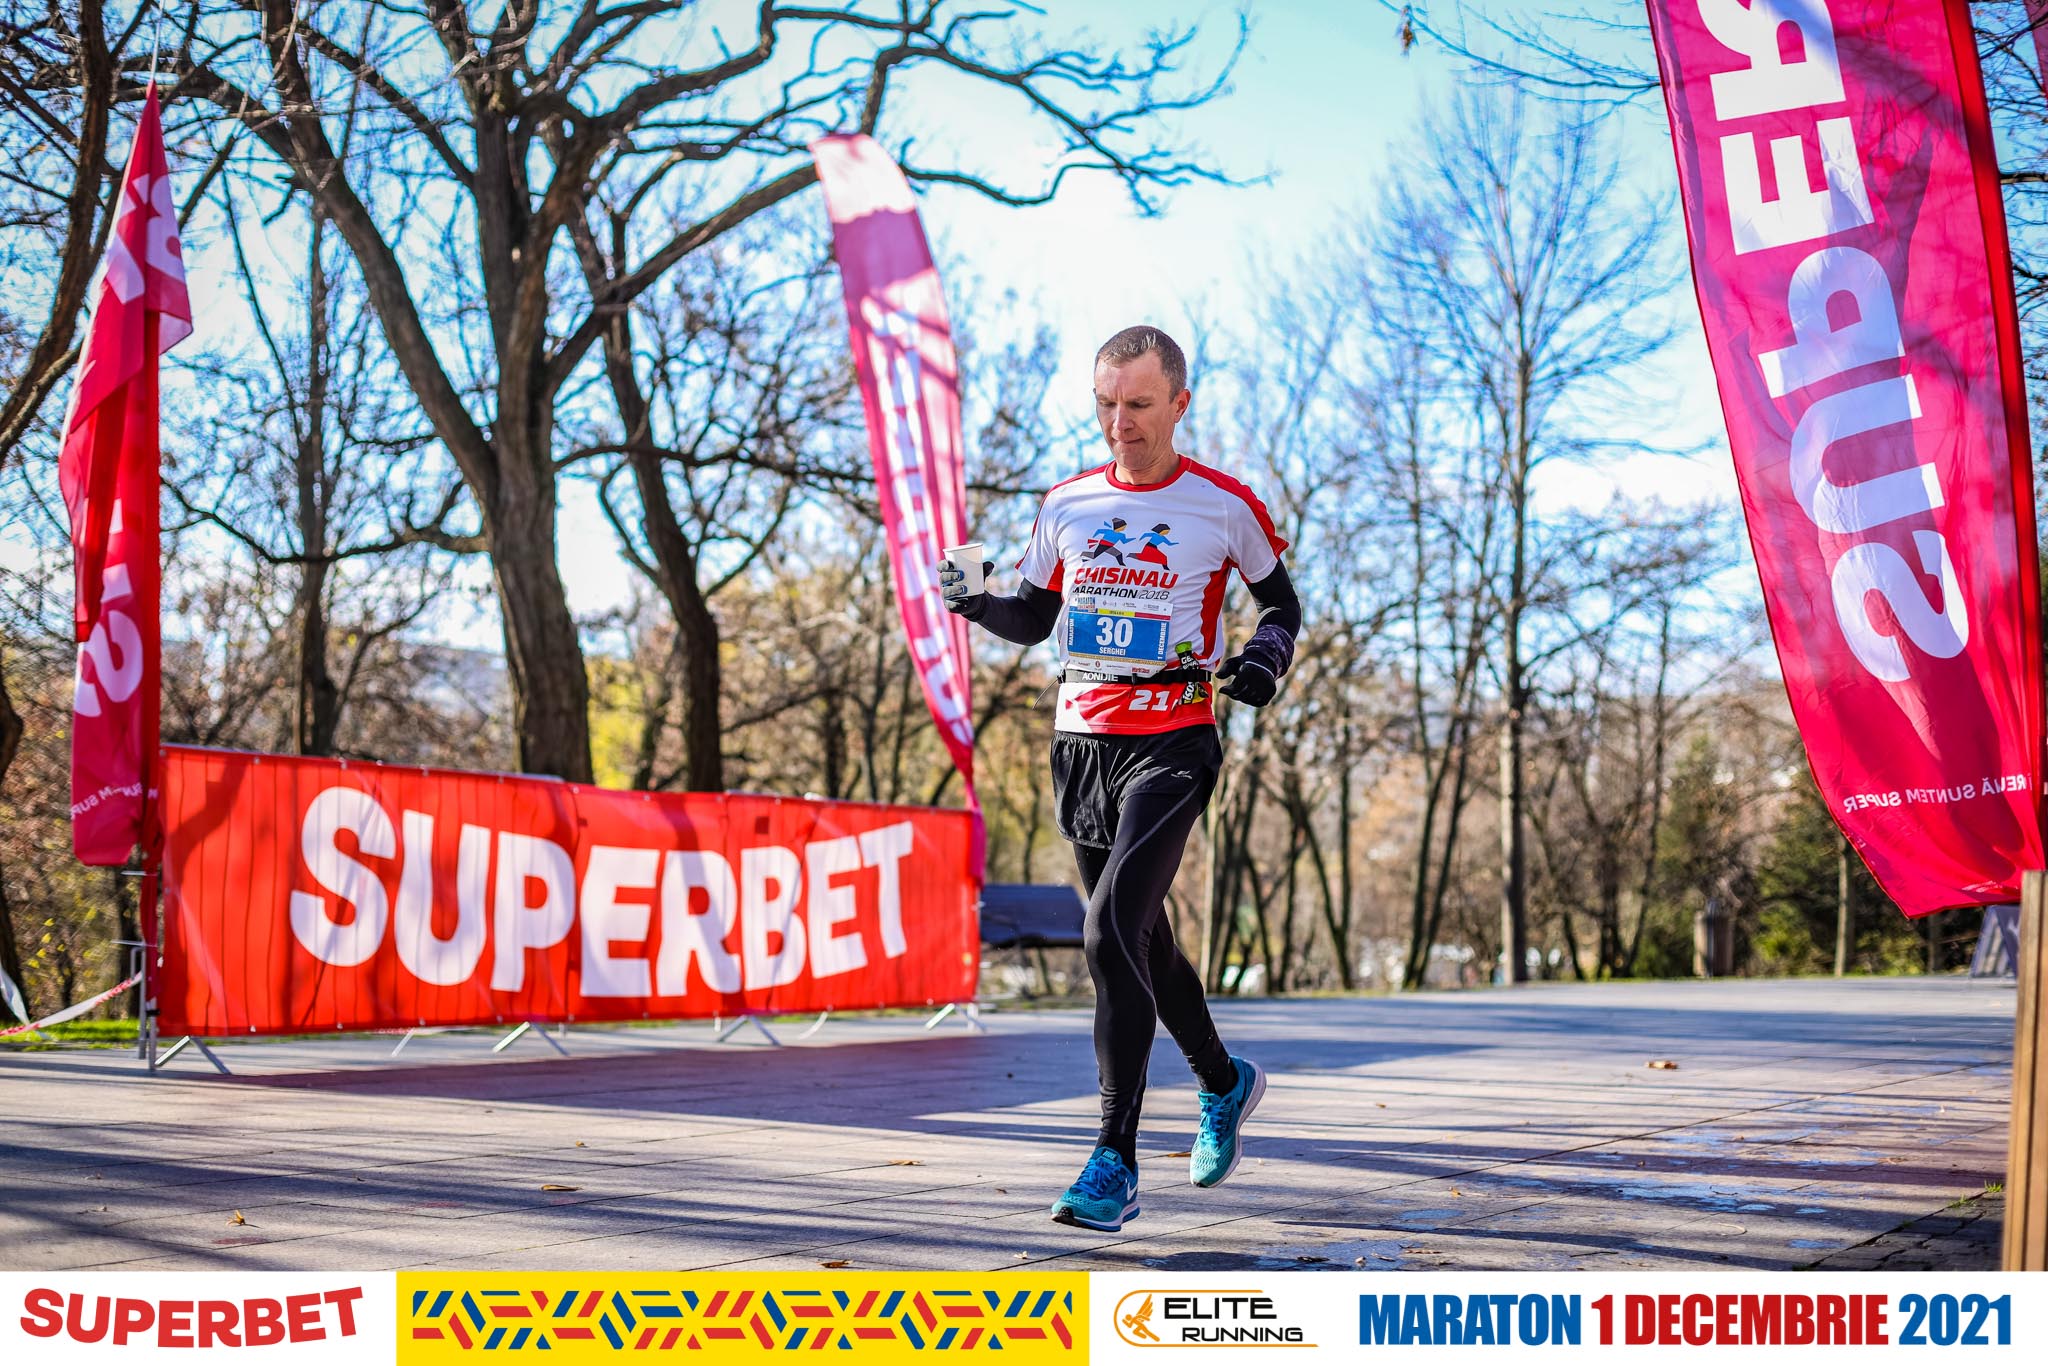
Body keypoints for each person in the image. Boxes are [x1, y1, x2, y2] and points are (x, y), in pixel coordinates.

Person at [939, 325, 1301, 1233]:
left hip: (1173, 740)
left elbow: (1281, 604)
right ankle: (1223, 1080)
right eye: (1106, 404)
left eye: (1138, 404)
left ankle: (1115, 1160)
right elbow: (1035, 615)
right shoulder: (1066, 503)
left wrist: (1265, 659)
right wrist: (978, 603)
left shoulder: (1223, 505)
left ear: (1179, 403)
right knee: (1143, 942)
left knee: (1107, 933)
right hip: (1081, 743)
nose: (1120, 423)